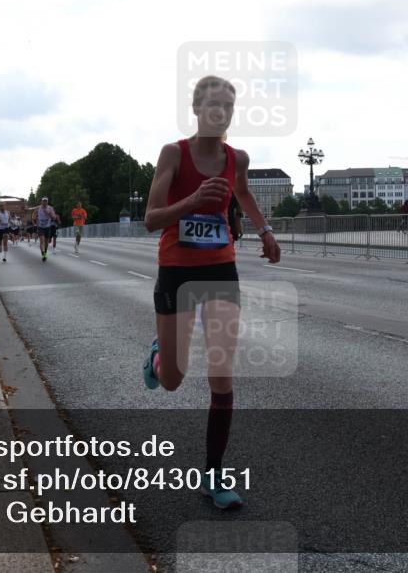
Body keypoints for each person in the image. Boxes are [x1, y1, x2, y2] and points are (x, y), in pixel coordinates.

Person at [141, 75, 281, 509]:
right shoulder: (174, 154)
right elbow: (151, 218)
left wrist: (265, 231)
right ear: (197, 109)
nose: (220, 112)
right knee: (172, 381)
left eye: (228, 106)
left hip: (221, 270)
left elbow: (243, 193)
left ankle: (214, 475)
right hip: (176, 272)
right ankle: (160, 356)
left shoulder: (236, 157)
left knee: (222, 376)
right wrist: (194, 201)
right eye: (213, 105)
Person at [34, 197, 59, 262]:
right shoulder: (38, 208)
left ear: (47, 202)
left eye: (46, 201)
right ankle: (43, 254)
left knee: (46, 242)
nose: (44, 202)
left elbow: (54, 218)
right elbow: (33, 214)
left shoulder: (50, 208)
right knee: (42, 240)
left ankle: (45, 252)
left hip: (47, 227)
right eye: (43, 201)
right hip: (40, 227)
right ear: (41, 202)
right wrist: (35, 219)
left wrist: (48, 213)